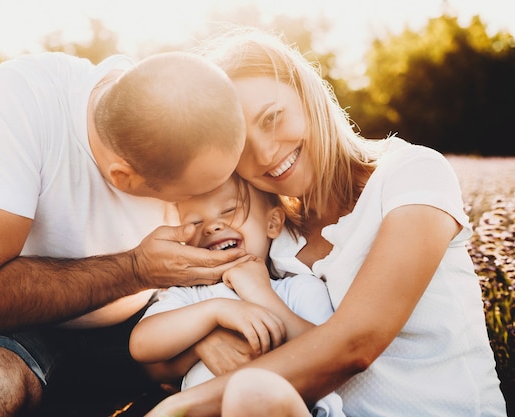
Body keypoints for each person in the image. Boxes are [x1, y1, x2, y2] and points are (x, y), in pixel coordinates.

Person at [145, 27, 507, 417]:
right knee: (256, 397)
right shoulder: (271, 231)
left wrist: (181, 407)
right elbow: (158, 359)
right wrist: (207, 336)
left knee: (254, 393)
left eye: (272, 118)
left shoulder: (412, 174)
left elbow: (357, 344)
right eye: (240, 146)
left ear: (307, 92)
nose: (265, 153)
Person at [0, 50, 250, 416]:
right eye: (189, 196)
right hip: (5, 329)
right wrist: (136, 270)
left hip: (143, 326)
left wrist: (203, 323)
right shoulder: (22, 98)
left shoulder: (191, 119)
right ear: (124, 178)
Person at [129, 173, 344, 416]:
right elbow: (141, 344)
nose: (212, 226)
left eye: (229, 210)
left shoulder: (298, 288)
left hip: (288, 408)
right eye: (196, 222)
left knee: (253, 393)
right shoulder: (191, 295)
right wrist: (217, 311)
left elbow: (328, 354)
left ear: (272, 223)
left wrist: (260, 293)